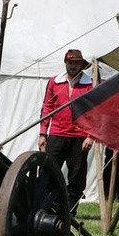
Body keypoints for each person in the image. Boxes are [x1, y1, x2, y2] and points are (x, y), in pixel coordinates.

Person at [38, 49, 94, 213]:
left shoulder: (89, 84)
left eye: (76, 63)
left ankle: (70, 213)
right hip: (57, 133)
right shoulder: (55, 82)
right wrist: (42, 133)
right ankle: (48, 208)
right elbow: (47, 107)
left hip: (79, 136)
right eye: (70, 62)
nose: (72, 66)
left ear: (81, 65)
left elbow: (94, 112)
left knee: (76, 177)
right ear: (65, 63)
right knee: (48, 171)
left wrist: (90, 136)